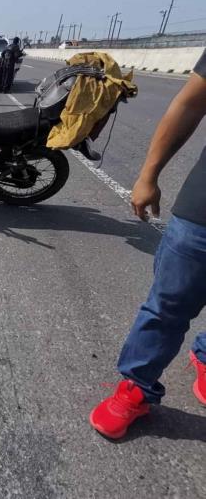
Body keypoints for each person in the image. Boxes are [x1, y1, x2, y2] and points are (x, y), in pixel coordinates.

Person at [90, 49, 206, 440]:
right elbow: (188, 105)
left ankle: (204, 355)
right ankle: (136, 387)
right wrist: (148, 175)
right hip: (202, 214)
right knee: (167, 306)